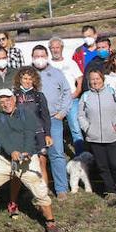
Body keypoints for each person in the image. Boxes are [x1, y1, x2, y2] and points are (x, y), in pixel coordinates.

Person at [0, 89, 61, 232]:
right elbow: (2, 138)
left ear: (14, 99)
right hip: (6, 160)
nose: (5, 104)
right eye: (1, 102)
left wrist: (27, 152)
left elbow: (31, 134)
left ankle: (51, 223)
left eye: (8, 100)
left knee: (41, 191)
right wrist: (12, 152)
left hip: (28, 159)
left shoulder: (26, 114)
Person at [79, 69, 116, 205]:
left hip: (114, 136)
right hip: (95, 138)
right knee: (102, 166)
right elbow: (81, 115)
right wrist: (87, 129)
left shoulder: (113, 93)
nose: (95, 81)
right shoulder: (85, 96)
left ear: (103, 79)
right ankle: (110, 191)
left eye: (97, 78)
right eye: (92, 79)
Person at [31, 47, 71, 198]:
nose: (39, 58)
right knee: (36, 156)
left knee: (57, 153)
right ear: (32, 57)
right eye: (36, 56)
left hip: (54, 118)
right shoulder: (28, 73)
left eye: (42, 55)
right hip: (34, 121)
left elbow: (67, 91)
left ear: (47, 56)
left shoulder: (56, 73)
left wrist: (63, 112)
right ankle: (40, 188)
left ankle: (61, 188)